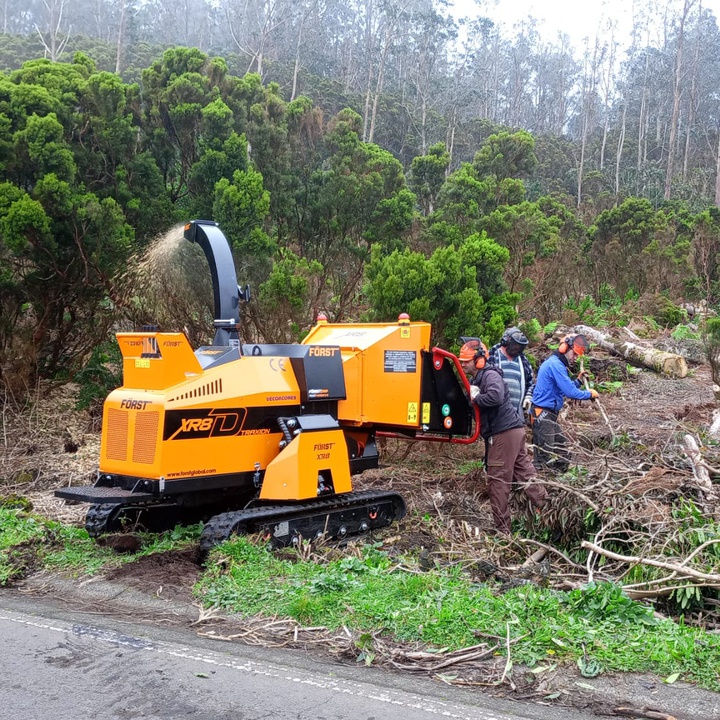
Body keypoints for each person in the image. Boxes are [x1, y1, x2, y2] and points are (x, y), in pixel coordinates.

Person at [458, 338, 547, 536]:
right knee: (525, 474)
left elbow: (495, 397)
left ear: (479, 360)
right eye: (461, 360)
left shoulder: (489, 375)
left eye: (466, 361)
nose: (463, 364)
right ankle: (549, 509)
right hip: (513, 430)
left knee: (497, 481)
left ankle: (502, 532)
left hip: (503, 433)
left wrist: (476, 398)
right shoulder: (479, 378)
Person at [530, 334, 599, 472]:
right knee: (544, 453)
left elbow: (561, 390)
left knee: (563, 451)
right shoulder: (556, 365)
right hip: (542, 413)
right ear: (564, 348)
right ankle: (538, 483)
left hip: (549, 414)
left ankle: (556, 477)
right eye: (574, 354)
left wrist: (578, 381)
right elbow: (570, 392)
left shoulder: (557, 365)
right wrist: (589, 394)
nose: (575, 358)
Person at [488, 326, 534, 418]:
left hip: (516, 414)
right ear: (505, 342)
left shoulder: (523, 361)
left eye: (520, 347)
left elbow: (530, 383)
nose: (517, 349)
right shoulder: (492, 356)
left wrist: (528, 397)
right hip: (495, 414)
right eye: (515, 345)